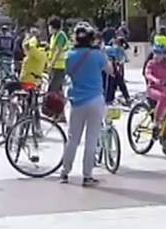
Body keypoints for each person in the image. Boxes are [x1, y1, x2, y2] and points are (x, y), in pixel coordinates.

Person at [59, 22, 113, 186]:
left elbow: (67, 73)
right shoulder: (98, 55)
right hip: (96, 99)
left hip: (77, 100)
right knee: (91, 139)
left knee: (73, 138)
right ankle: (87, 175)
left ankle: (64, 172)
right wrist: (103, 53)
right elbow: (110, 71)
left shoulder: (70, 55)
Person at [46, 17, 70, 96]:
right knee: (58, 89)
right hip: (55, 66)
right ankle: (59, 106)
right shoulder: (53, 36)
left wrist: (52, 63)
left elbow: (58, 51)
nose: (48, 28)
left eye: (49, 26)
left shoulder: (60, 35)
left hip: (60, 66)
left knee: (52, 88)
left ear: (53, 26)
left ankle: (51, 106)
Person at [104, 37, 131, 105]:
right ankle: (126, 98)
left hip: (105, 100)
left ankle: (126, 98)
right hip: (106, 100)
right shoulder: (109, 67)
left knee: (118, 81)